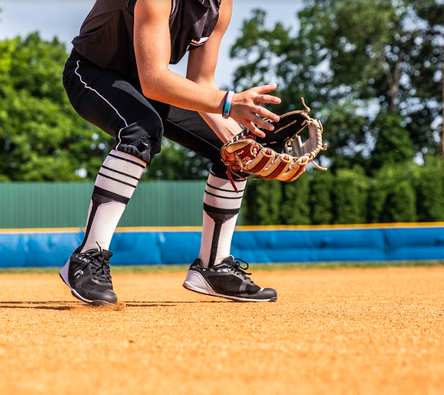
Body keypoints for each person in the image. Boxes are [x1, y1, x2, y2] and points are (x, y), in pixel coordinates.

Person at [59, 0, 280, 305]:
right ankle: (86, 256)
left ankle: (213, 266)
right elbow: (154, 80)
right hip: (93, 72)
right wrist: (228, 103)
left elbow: (201, 81)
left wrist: (233, 137)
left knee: (235, 150)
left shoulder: (221, 5)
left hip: (149, 83)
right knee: (142, 130)